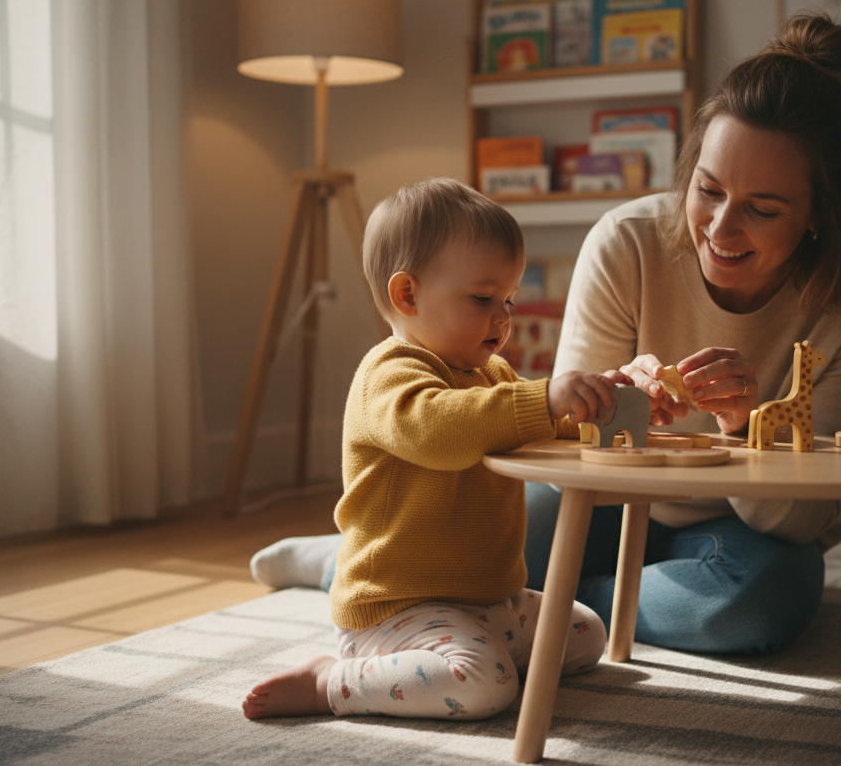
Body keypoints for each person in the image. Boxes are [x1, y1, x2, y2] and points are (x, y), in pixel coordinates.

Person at [252, 12, 841, 656]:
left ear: (820, 214)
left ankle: (545, 600)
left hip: (739, 532)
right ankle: (355, 565)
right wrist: (617, 402)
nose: (720, 229)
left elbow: (801, 518)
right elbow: (567, 464)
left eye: (762, 209)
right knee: (460, 539)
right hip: (600, 503)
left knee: (749, 610)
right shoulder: (629, 242)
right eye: (707, 189)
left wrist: (744, 426)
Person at [243, 178, 622, 722]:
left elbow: (531, 425)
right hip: (399, 605)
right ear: (407, 295)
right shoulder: (391, 374)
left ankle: (478, 652)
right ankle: (331, 681)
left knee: (587, 633)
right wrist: (541, 399)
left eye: (508, 300)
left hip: (488, 599)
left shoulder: (490, 373)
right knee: (483, 687)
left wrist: (594, 406)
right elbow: (440, 432)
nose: (502, 317)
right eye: (483, 298)